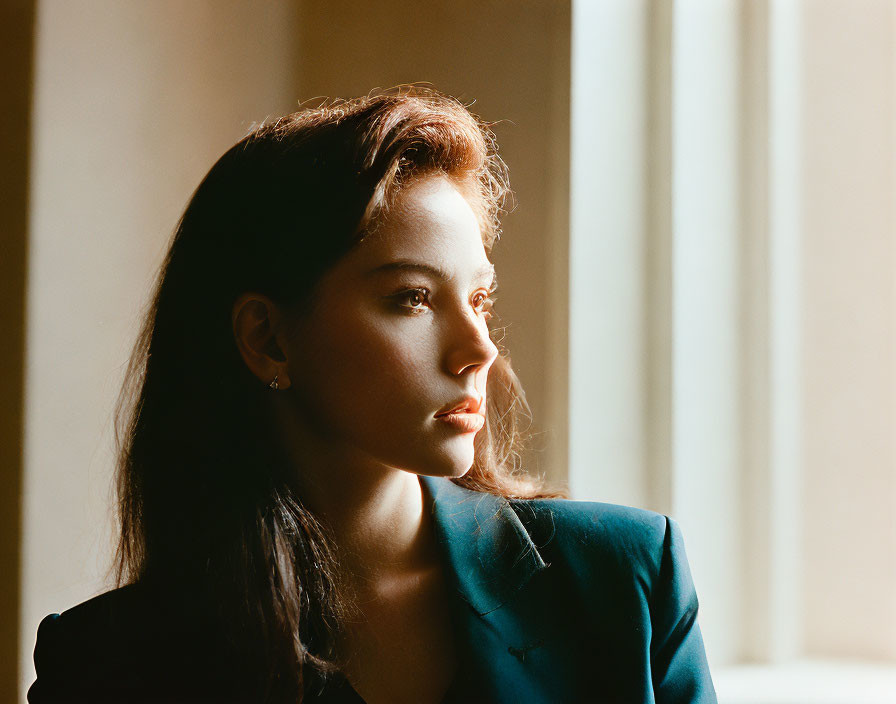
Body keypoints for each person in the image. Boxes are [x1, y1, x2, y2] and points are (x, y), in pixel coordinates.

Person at [26, 86, 717, 703]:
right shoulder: (108, 666)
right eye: (411, 298)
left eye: (478, 299)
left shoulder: (625, 578)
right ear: (267, 338)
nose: (479, 349)